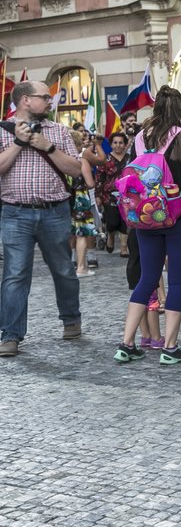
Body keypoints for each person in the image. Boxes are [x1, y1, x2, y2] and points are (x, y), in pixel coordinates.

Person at [114, 86, 181, 365]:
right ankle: (171, 347)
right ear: (179, 109)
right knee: (176, 280)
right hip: (180, 216)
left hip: (146, 218)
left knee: (147, 278)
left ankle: (127, 343)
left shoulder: (141, 137)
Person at [0, 81, 84, 357]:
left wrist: (47, 147)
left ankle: (71, 318)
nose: (50, 102)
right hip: (15, 213)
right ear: (25, 100)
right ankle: (10, 335)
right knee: (15, 274)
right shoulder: (2, 131)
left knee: (63, 269)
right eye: (45, 97)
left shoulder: (58, 131)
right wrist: (18, 144)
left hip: (54, 211)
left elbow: (76, 170)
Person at [68, 128, 98, 277]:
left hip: (66, 198)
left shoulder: (60, 158)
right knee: (81, 234)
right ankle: (81, 267)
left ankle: (75, 264)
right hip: (80, 198)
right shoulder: (81, 160)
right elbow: (90, 183)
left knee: (70, 233)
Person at [95, 132, 131, 257]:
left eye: (121, 142)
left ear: (125, 144)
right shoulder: (106, 159)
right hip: (109, 195)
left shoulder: (130, 159)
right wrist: (98, 195)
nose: (118, 145)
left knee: (125, 221)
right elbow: (99, 178)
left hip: (127, 195)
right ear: (111, 144)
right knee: (112, 222)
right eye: (115, 142)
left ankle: (123, 248)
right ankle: (110, 236)